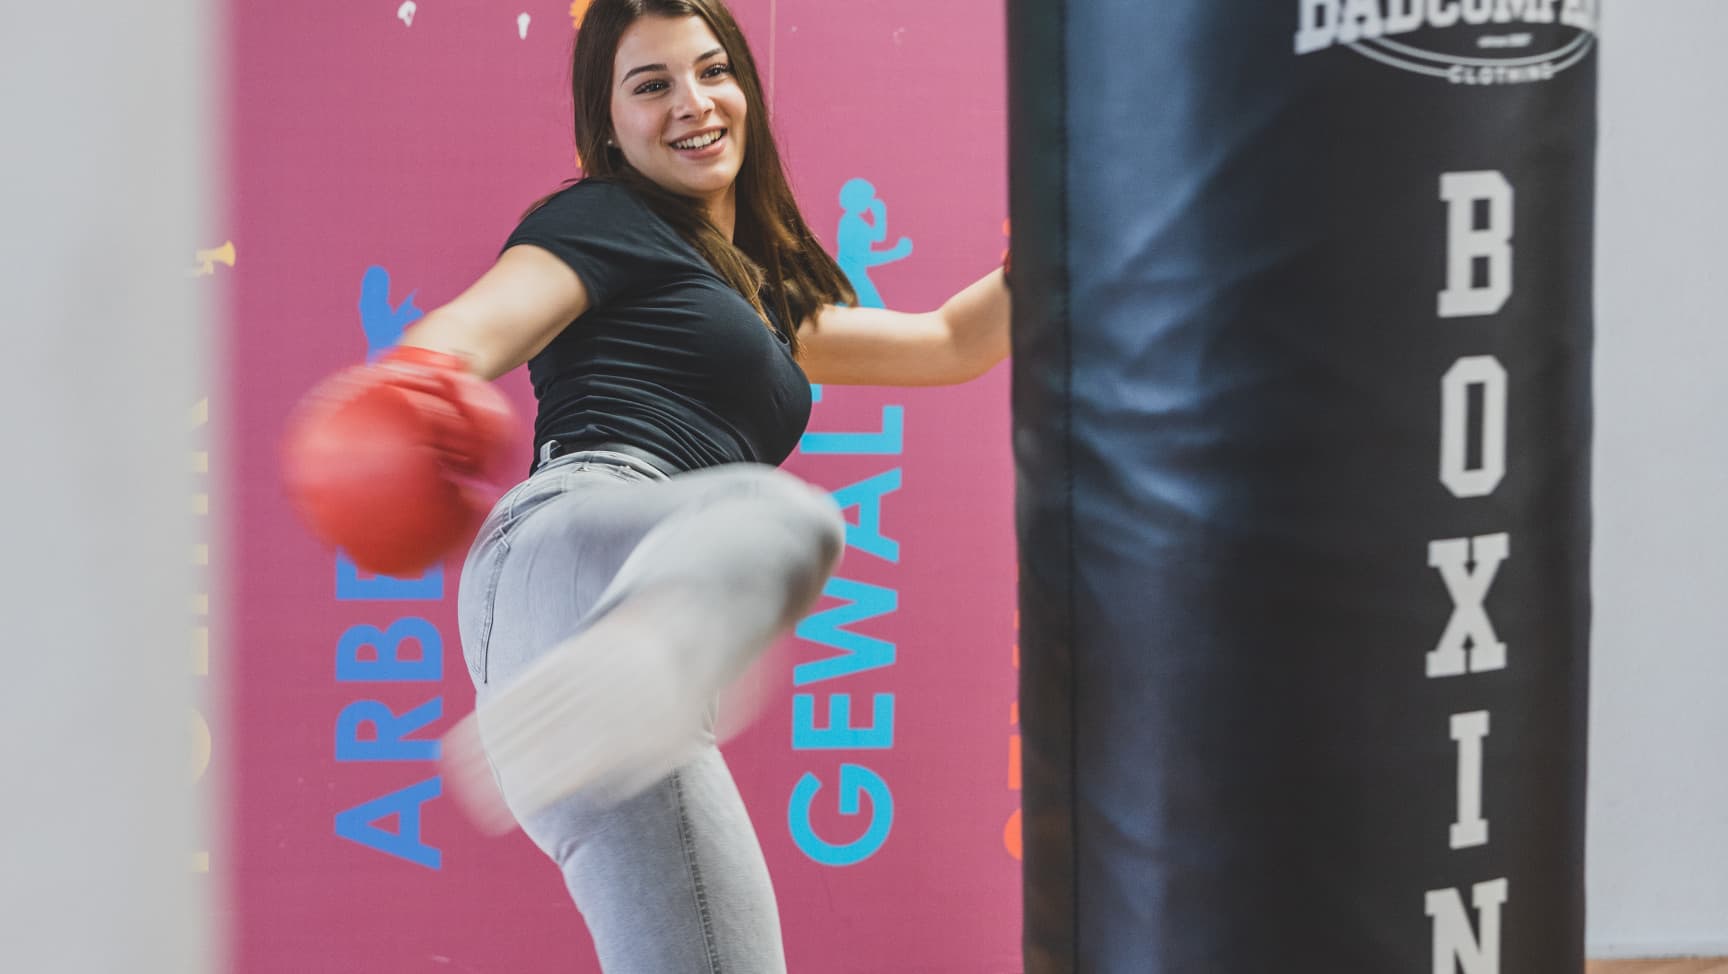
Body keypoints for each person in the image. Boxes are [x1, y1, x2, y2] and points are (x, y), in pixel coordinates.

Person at [281, 0, 1009, 970]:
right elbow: (480, 321)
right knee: (784, 518)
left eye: (713, 71)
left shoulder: (765, 300)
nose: (694, 103)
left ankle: (623, 688)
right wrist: (417, 380)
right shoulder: (604, 219)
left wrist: (1083, 225)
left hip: (614, 648)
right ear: (609, 121)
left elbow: (952, 342)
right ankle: (636, 666)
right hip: (576, 541)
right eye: (652, 84)